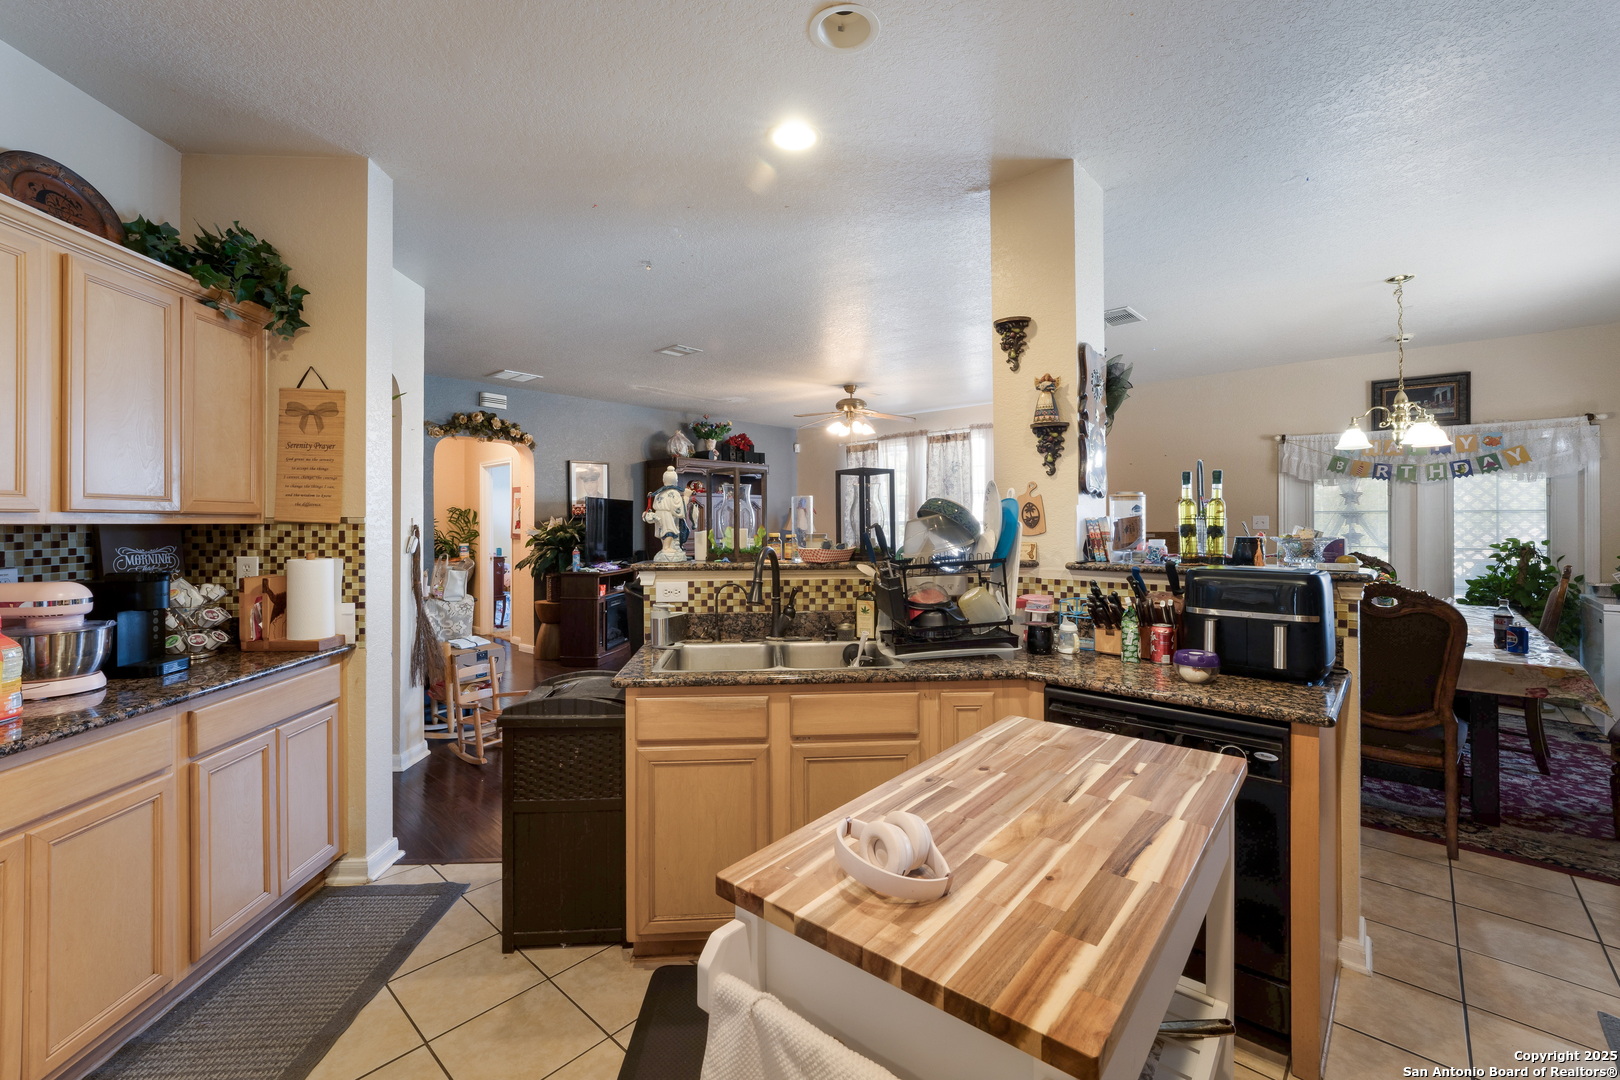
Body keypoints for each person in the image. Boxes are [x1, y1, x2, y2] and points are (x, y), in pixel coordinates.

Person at [643, 465, 691, 562]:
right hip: (667, 515)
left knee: (663, 532)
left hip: (659, 514)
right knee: (670, 531)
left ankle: (666, 547)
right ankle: (666, 548)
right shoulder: (674, 493)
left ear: (663, 480)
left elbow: (655, 505)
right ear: (675, 480)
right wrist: (686, 497)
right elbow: (679, 510)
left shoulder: (659, 493)